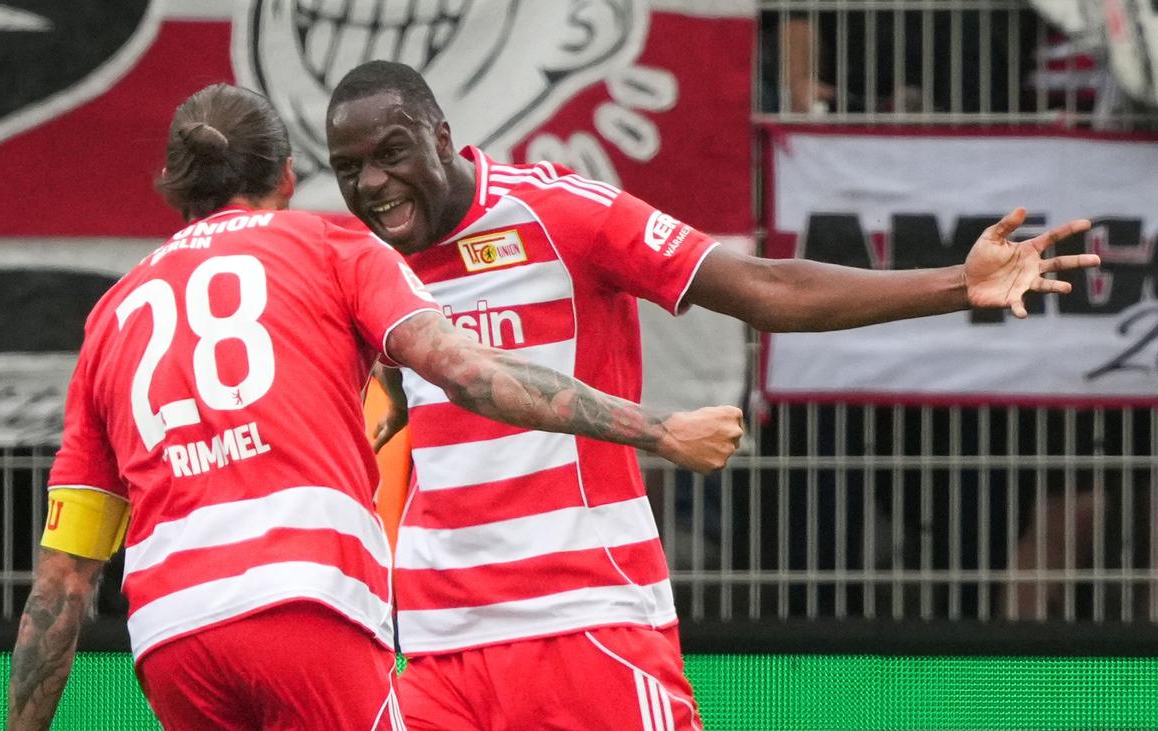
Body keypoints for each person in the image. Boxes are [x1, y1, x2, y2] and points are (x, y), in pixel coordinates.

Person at [323, 60, 1101, 730]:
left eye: (390, 153)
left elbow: (767, 288)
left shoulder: (560, 213)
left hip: (583, 618)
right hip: (437, 642)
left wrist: (957, 284)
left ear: (441, 134)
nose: (373, 184)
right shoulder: (367, 261)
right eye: (350, 168)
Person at [4, 83, 743, 731]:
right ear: (287, 175)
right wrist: (659, 431)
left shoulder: (112, 316)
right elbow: (468, 372)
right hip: (305, 605)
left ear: (173, 186)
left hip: (171, 635)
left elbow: (61, 582)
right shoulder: (332, 246)